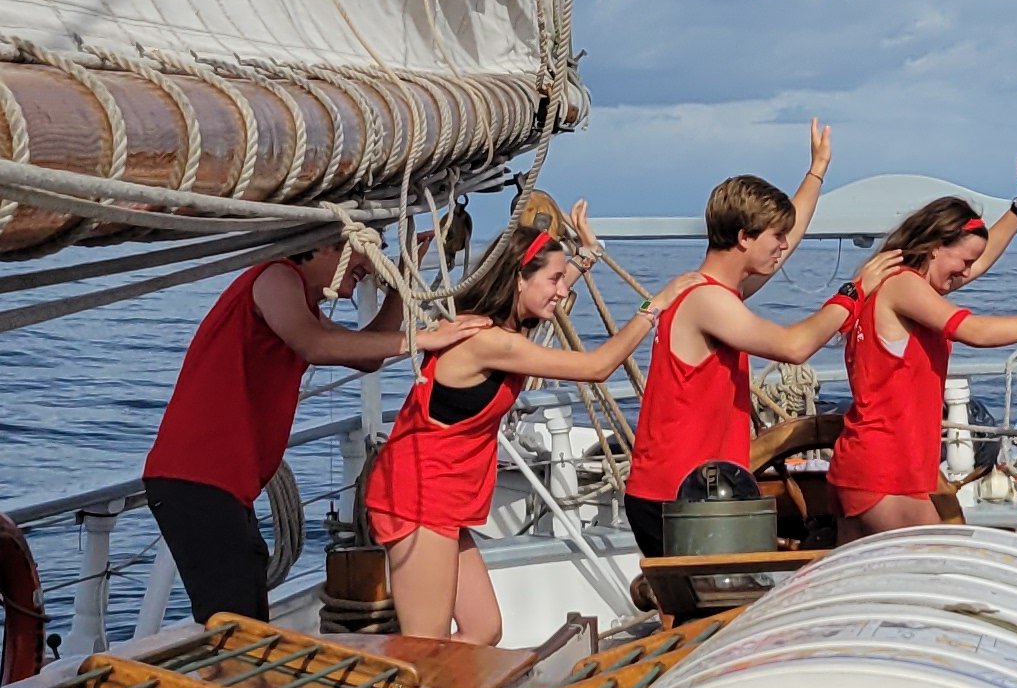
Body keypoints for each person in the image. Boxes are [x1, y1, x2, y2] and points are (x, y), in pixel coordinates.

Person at [364, 208, 675, 642]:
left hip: (443, 500)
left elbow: (542, 289)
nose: (563, 292)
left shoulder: (500, 330)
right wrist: (653, 306)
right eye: (555, 281)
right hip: (417, 498)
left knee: (483, 629)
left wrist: (588, 256)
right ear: (517, 280)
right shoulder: (490, 342)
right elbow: (598, 366)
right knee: (427, 645)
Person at [143, 244, 468, 621]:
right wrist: (425, 340)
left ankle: (241, 678)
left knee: (243, 613)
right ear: (321, 248)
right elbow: (313, 345)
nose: (366, 264)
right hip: (195, 479)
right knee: (235, 623)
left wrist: (402, 282)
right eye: (362, 250)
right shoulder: (276, 276)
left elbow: (366, 355)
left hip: (221, 485)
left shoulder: (301, 307)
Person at [832, 159, 1017, 534]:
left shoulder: (909, 285)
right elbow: (974, 331)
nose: (968, 273)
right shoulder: (902, 286)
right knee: (937, 572)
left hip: (887, 471)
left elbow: (980, 259)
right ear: (936, 247)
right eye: (963, 261)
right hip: (884, 473)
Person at [624, 127, 842, 558]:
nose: (783, 247)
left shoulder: (717, 291)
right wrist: (852, 297)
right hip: (676, 497)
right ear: (744, 237)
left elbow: (789, 236)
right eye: (773, 237)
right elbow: (794, 347)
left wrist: (816, 172)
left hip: (699, 495)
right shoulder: (708, 302)